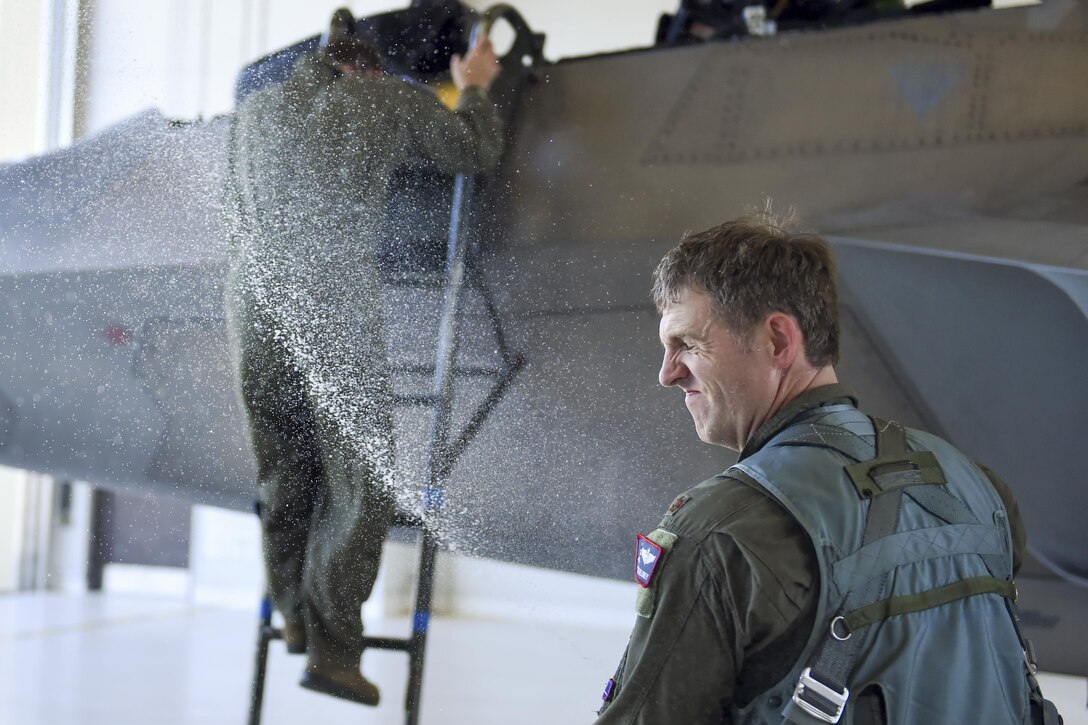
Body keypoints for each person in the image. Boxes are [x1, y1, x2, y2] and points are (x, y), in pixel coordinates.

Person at [595, 212, 1063, 724]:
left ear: (777, 341)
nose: (667, 374)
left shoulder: (719, 533)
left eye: (687, 343)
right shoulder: (980, 488)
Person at [222, 8, 503, 706]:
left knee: (285, 467)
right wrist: (474, 86)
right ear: (368, 64)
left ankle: (292, 613)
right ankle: (336, 652)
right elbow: (473, 148)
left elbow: (237, 207)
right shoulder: (383, 97)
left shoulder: (256, 109)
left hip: (249, 302)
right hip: (328, 299)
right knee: (365, 477)